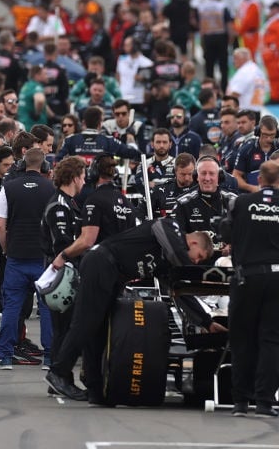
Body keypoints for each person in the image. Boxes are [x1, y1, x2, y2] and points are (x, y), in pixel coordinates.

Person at [45, 220, 214, 402]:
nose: (196, 261)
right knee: (85, 323)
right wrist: (188, 269)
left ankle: (96, 388)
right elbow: (163, 234)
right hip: (101, 262)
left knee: (100, 331)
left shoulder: (168, 261)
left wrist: (207, 322)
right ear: (194, 243)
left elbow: (179, 291)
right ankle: (58, 373)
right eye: (199, 257)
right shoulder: (170, 227)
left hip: (115, 275)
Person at [224, 160, 279, 417]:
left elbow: (225, 235)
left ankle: (240, 403)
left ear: (260, 180)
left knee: (241, 339)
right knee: (271, 340)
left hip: (246, 278)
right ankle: (265, 402)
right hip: (276, 280)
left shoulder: (240, 203)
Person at [0, 148, 56, 369]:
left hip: (17, 257)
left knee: (12, 306)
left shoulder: (8, 188)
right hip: (43, 259)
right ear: (45, 166)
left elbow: (0, 225)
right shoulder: (51, 188)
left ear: (21, 165)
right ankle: (49, 357)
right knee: (47, 307)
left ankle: (5, 357)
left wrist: (6, 249)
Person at [41, 156, 87, 375]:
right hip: (62, 275)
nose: (85, 182)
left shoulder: (70, 203)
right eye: (83, 177)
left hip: (70, 271)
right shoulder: (59, 206)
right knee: (63, 328)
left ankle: (59, 375)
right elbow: (63, 243)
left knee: (68, 328)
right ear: (75, 177)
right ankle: (58, 376)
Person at [173, 157, 237, 234]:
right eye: (203, 173)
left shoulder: (235, 202)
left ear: (219, 177)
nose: (207, 178)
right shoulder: (183, 203)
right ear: (196, 176)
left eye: (211, 173)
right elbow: (177, 239)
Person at [233, 114, 279, 192]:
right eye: (265, 135)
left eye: (272, 135)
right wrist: (251, 188)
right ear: (258, 131)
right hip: (252, 194)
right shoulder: (247, 149)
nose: (268, 139)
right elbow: (236, 175)